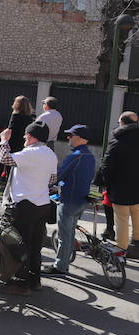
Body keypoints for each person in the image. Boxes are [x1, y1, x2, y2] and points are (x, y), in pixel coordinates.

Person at [0, 121, 58, 295]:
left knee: (19, 244)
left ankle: (21, 284)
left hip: (25, 204)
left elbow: (5, 159)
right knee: (35, 244)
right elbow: (52, 179)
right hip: (42, 204)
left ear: (32, 137)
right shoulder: (51, 154)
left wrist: (4, 141)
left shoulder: (30, 152)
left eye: (26, 135)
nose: (24, 137)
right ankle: (34, 280)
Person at [43, 125, 96, 276]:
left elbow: (58, 176)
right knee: (70, 232)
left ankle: (60, 267)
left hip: (69, 200)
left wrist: (48, 185)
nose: (68, 138)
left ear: (79, 138)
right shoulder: (90, 156)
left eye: (71, 135)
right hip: (81, 200)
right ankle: (65, 261)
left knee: (64, 237)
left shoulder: (75, 156)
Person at [95, 111, 139, 256]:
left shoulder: (117, 141)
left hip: (121, 187)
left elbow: (107, 165)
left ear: (122, 123)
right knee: (137, 214)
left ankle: (121, 248)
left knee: (122, 219)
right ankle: (137, 242)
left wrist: (104, 181)